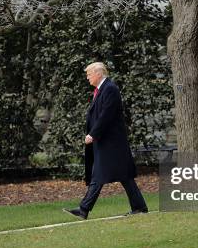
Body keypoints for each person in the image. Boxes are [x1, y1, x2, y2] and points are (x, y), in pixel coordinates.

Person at [63, 62, 148, 219]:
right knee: (120, 175)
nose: (87, 77)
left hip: (112, 142)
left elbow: (106, 115)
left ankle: (84, 209)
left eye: (89, 74)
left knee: (101, 174)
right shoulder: (102, 89)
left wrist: (93, 134)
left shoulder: (110, 89)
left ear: (98, 73)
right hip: (108, 142)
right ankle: (139, 207)